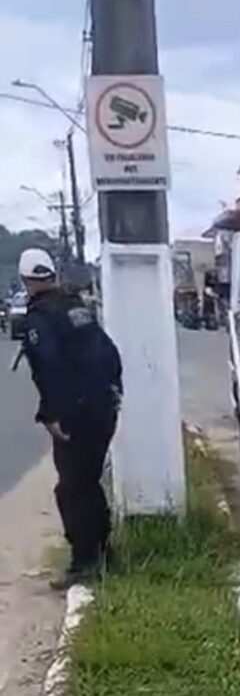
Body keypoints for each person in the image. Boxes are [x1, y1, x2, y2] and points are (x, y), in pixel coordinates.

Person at [18, 248, 123, 590]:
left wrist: (52, 415)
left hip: (77, 415)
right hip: (104, 407)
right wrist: (113, 392)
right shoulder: (76, 307)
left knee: (72, 489)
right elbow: (110, 353)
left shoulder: (40, 318)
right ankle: (104, 553)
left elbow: (50, 369)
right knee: (87, 482)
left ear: (26, 281)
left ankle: (85, 562)